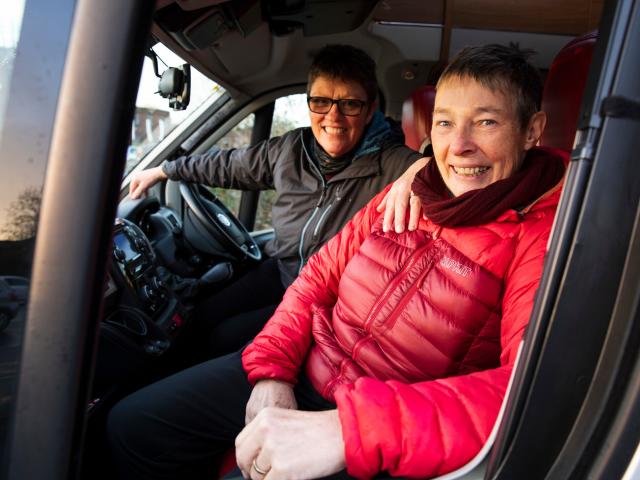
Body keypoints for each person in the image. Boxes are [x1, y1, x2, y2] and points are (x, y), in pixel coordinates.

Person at [108, 44, 567, 479]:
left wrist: (352, 428)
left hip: (382, 415)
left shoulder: (542, 231)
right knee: (132, 426)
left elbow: (530, 390)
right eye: (445, 123)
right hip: (311, 357)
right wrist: (272, 370)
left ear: (532, 130)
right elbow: (316, 278)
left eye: (486, 122)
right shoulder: (405, 188)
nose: (460, 145)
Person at [129, 44, 425, 357]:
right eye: (321, 102)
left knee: (223, 339)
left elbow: (447, 179)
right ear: (309, 103)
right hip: (280, 271)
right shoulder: (291, 149)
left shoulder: (393, 164)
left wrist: (421, 168)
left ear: (369, 110)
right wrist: (165, 170)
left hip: (326, 302)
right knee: (201, 317)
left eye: (350, 104)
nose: (333, 116)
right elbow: (229, 164)